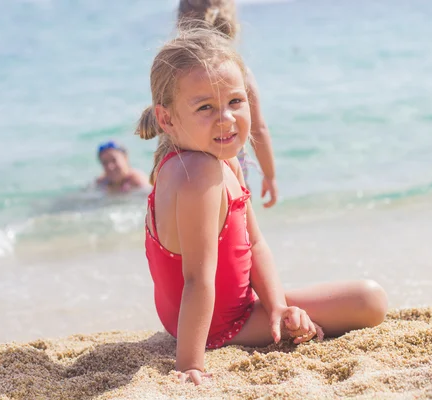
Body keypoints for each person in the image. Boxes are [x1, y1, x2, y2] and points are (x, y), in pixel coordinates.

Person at [136, 25, 388, 386]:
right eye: (205, 107)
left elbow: (253, 244)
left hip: (216, 312)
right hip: (217, 326)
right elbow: (197, 279)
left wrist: (278, 307)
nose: (226, 117)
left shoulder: (221, 161)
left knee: (360, 298)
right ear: (167, 118)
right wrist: (190, 363)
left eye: (235, 102)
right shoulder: (198, 173)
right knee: (370, 300)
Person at [178, 0, 278, 208]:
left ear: (181, 22)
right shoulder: (238, 72)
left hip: (188, 178)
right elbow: (258, 129)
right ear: (231, 22)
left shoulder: (176, 76)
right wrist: (270, 176)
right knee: (237, 234)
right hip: (233, 176)